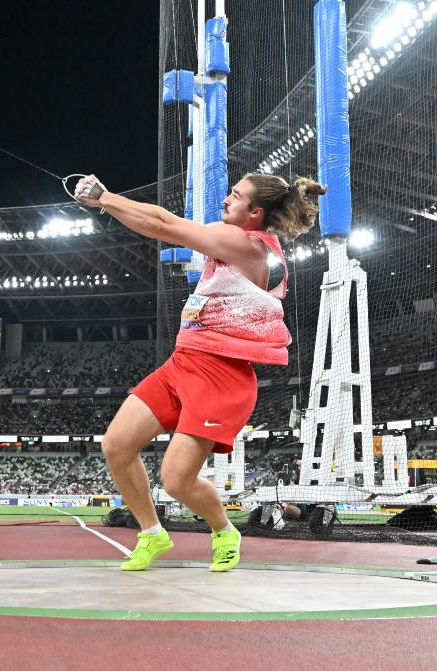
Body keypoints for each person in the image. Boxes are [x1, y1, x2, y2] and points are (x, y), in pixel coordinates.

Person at [75, 172, 323, 571]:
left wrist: (105, 197)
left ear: (255, 213)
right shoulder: (230, 238)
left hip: (220, 379)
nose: (226, 199)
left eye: (236, 196)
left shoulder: (245, 244)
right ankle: (152, 534)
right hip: (182, 364)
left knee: (176, 480)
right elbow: (156, 225)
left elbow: (162, 224)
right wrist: (106, 203)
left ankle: (224, 530)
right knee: (117, 445)